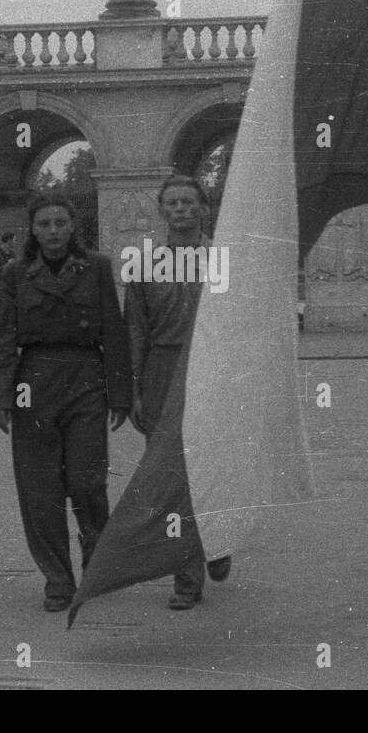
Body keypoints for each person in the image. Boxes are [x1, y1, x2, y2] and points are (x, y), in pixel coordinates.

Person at [0, 193, 131, 612]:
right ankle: (56, 578)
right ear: (32, 229)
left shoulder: (98, 268)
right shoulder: (16, 273)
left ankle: (96, 564)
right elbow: (4, 339)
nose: (53, 231)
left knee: (88, 481)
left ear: (73, 227)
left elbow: (114, 332)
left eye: (60, 223)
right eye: (44, 224)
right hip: (32, 383)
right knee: (40, 489)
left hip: (86, 377)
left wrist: (120, 393)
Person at [123, 175, 233, 611]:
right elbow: (135, 329)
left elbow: (239, 325)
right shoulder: (145, 263)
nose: (182, 209)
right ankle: (186, 577)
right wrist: (133, 387)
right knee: (172, 477)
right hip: (163, 370)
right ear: (162, 210)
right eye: (173, 203)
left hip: (213, 370)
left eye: (190, 201)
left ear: (203, 208)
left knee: (215, 467)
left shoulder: (222, 259)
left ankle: (219, 543)